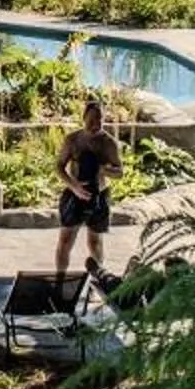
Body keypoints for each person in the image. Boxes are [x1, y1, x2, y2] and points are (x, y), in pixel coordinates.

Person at [54, 98, 121, 278]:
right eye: (91, 121)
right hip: (75, 194)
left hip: (99, 195)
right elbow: (59, 166)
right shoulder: (73, 140)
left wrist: (103, 169)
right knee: (65, 240)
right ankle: (60, 280)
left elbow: (120, 172)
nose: (95, 125)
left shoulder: (109, 143)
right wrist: (73, 185)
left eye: (99, 120)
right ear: (83, 118)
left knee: (95, 242)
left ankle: (99, 278)